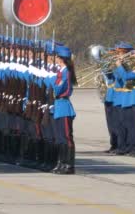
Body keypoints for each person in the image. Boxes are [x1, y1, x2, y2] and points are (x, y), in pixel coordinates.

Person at [52, 46, 77, 174]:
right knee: (59, 138)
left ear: (61, 59)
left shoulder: (66, 72)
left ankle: (69, 164)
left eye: (56, 56)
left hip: (64, 107)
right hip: (58, 107)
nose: (55, 58)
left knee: (66, 137)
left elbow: (57, 89)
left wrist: (50, 79)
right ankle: (61, 162)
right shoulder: (61, 72)